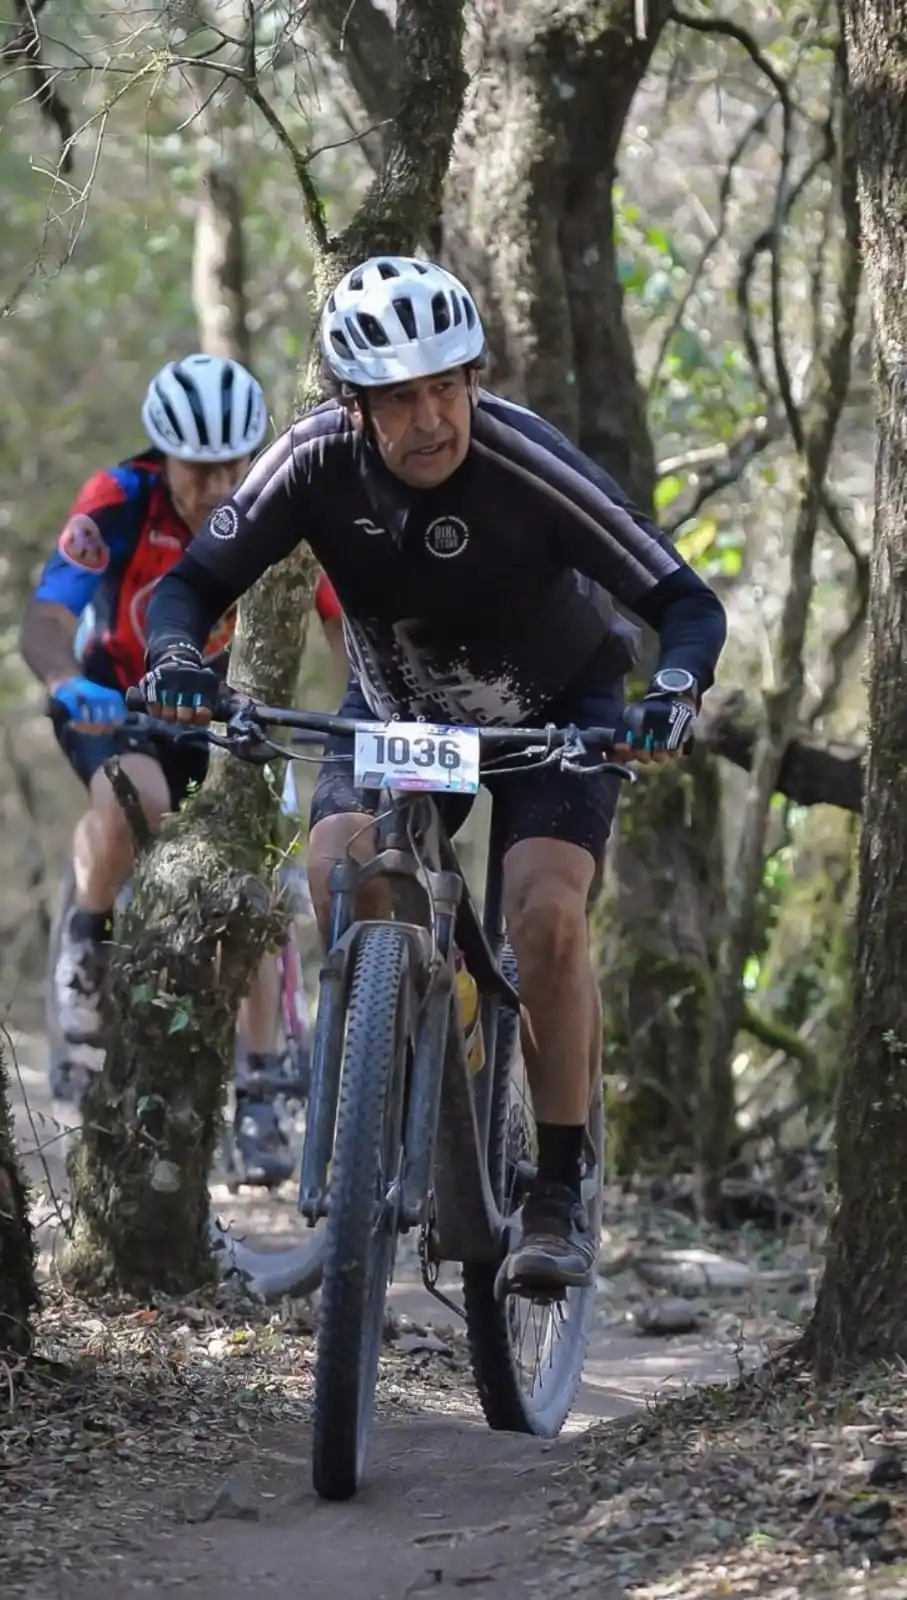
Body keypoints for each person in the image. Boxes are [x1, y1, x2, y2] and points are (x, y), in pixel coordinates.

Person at [136, 257, 728, 1293]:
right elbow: (187, 586)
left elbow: (685, 601)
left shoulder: (522, 459)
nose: (431, 419)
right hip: (398, 707)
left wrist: (671, 693)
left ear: (472, 380)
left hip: (555, 711)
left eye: (446, 387)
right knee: (339, 865)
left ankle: (555, 1188)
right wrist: (179, 659)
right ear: (353, 406)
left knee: (546, 917)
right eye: (400, 398)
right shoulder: (311, 461)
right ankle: (412, 1048)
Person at [20, 354, 294, 1185]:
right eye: (197, 468)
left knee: (250, 877)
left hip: (224, 719)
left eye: (232, 465)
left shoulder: (281, 508)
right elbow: (48, 615)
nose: (217, 486)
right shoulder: (120, 497)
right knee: (132, 793)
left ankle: (260, 1089)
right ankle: (86, 940)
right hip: (116, 703)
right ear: (161, 455)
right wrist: (65, 683)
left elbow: (334, 622)